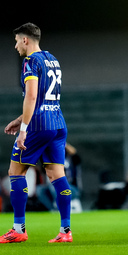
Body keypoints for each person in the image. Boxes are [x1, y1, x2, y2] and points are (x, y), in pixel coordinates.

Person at [0, 23, 72, 243]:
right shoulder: (52, 59)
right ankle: (65, 231)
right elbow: (45, 99)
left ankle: (18, 229)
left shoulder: (30, 61)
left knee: (16, 171)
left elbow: (31, 97)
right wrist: (19, 119)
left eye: (16, 41)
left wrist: (23, 130)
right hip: (57, 123)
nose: (15, 46)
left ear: (25, 40)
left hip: (38, 126)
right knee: (57, 176)